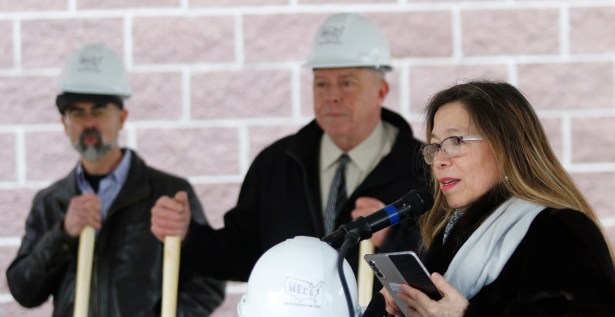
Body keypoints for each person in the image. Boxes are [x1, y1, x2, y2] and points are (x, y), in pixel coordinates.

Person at [367, 80, 615, 317]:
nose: (441, 160)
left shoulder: (560, 231)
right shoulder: (448, 234)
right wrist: (401, 312)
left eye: (456, 141)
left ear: (506, 146)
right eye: (435, 146)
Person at [151, 13, 429, 283]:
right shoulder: (276, 164)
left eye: (347, 83)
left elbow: (447, 262)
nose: (332, 96)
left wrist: (392, 239)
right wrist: (188, 235)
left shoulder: (424, 169)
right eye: (321, 83)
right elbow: (241, 254)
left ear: (381, 91)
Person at [6, 43, 225, 317]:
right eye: (77, 113)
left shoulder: (165, 195)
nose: (88, 122)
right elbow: (23, 289)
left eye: (99, 110)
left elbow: (209, 283)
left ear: (122, 116)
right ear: (64, 123)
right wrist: (62, 234)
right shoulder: (52, 202)